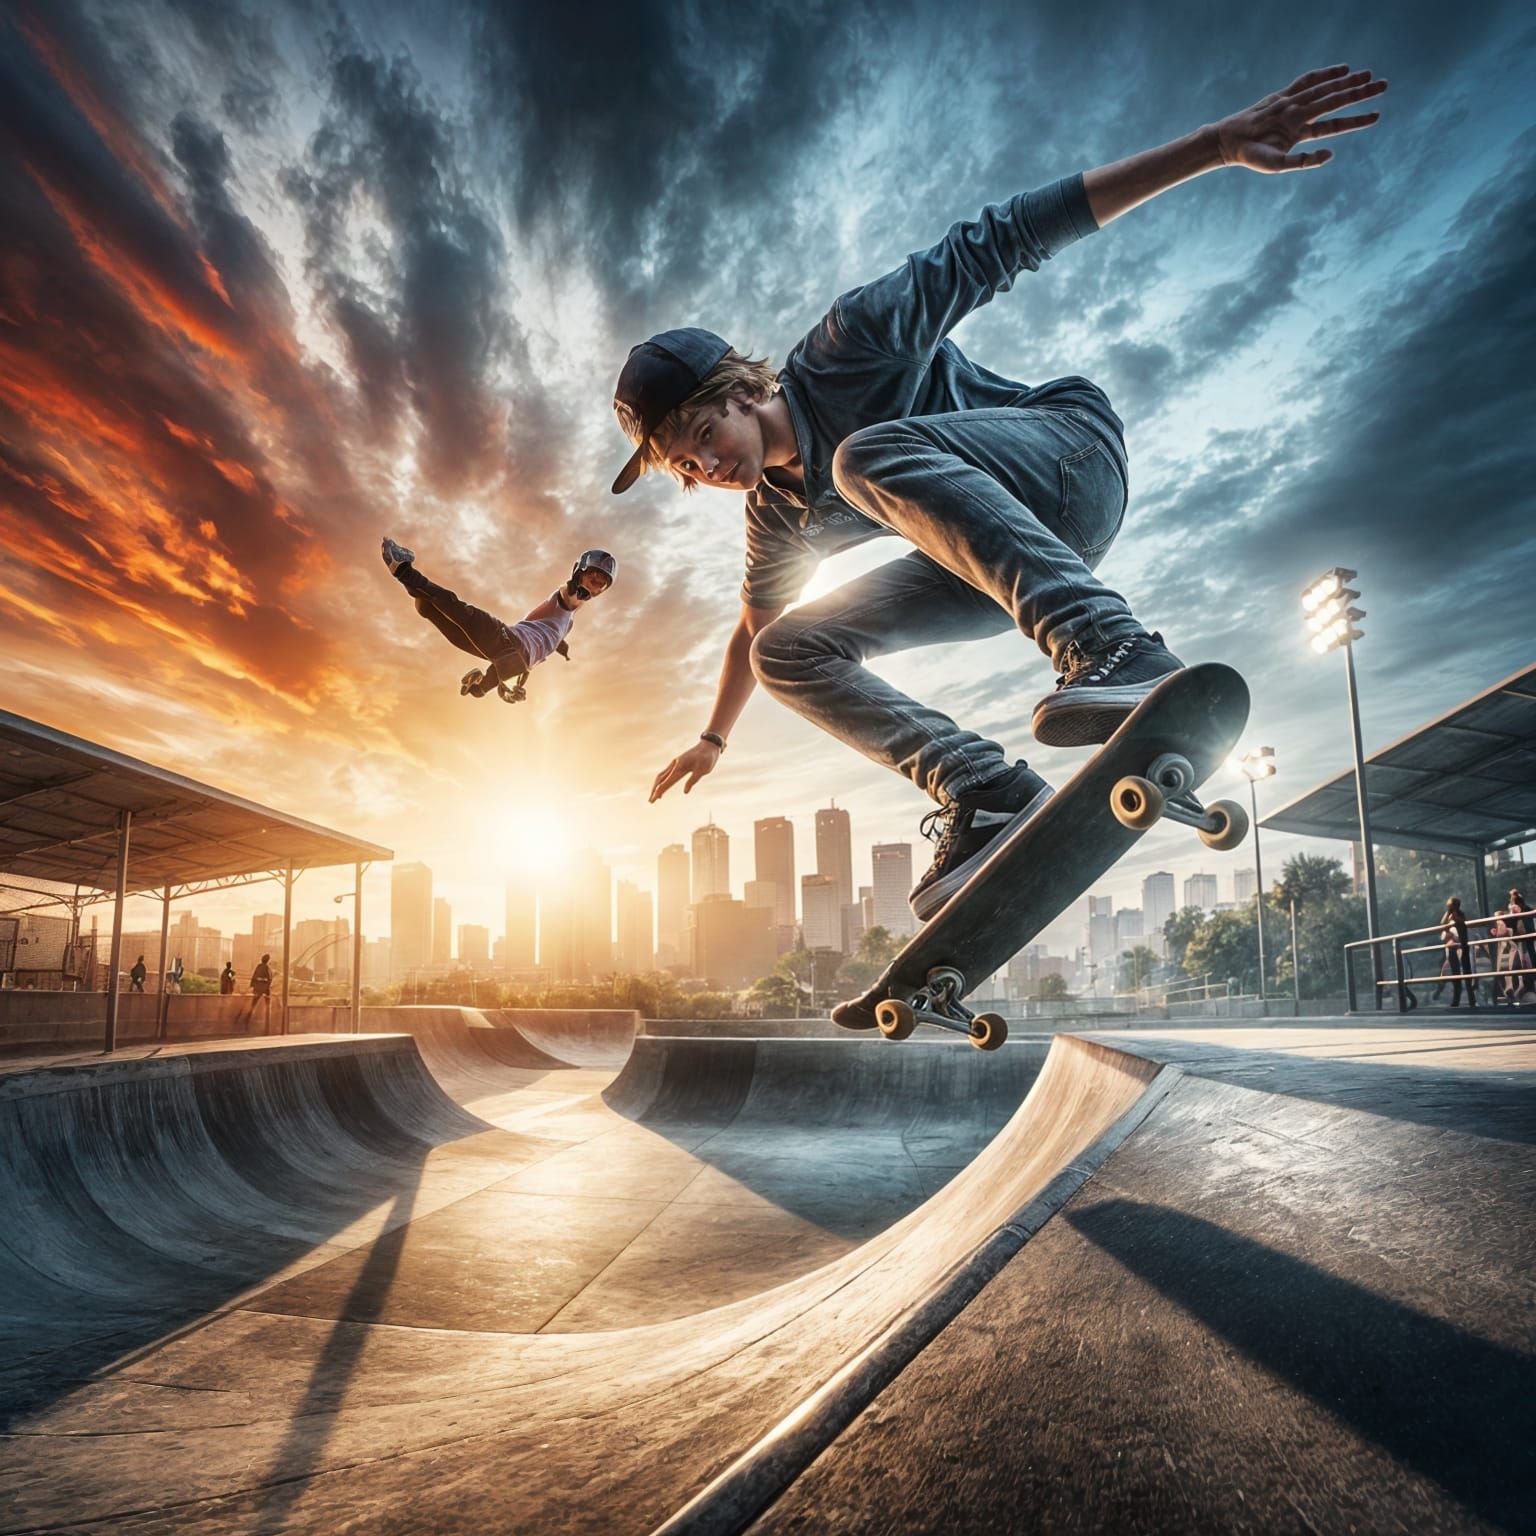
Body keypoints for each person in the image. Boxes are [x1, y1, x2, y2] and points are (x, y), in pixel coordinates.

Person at [624, 66, 1386, 933]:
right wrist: (714, 738)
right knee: (787, 649)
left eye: (703, 443)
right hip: (1001, 560)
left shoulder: (850, 344)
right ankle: (983, 788)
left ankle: (1113, 647)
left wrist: (1212, 149)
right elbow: (753, 629)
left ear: (735, 389)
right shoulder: (776, 514)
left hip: (1069, 459)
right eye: (685, 470)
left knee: (867, 458)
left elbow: (1005, 238)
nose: (705, 474)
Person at [381, 538, 616, 702]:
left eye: (600, 583)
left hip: (511, 659)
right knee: (453, 610)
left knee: (429, 610)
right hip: (507, 640)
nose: (594, 584)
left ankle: (478, 685)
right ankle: (403, 570)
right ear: (578, 573)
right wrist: (576, 588)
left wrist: (559, 648)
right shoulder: (568, 595)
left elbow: (544, 639)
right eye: (591, 577)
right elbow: (569, 595)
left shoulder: (568, 623)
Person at [1437, 898, 1476, 1008]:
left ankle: (1471, 999)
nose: (1449, 908)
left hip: (1462, 947)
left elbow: (1460, 922)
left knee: (1467, 974)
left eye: (1450, 906)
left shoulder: (1460, 914)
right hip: (1452, 949)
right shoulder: (1448, 915)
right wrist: (1448, 914)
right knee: (1455, 976)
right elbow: (1442, 924)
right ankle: (1456, 1000)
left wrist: (1453, 915)